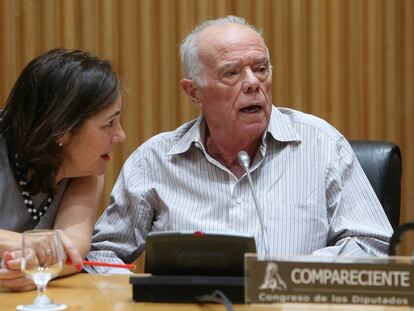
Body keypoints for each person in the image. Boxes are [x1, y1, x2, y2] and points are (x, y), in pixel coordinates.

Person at [86, 16, 392, 273]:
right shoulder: (155, 160)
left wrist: (292, 273)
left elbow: (374, 246)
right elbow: (103, 253)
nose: (253, 83)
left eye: (261, 68)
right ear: (194, 93)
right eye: (231, 73)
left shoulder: (322, 145)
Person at [0, 48, 126, 289]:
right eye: (109, 123)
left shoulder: (87, 169)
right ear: (61, 130)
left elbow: (74, 246)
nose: (121, 135)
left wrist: (29, 269)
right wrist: (28, 245)